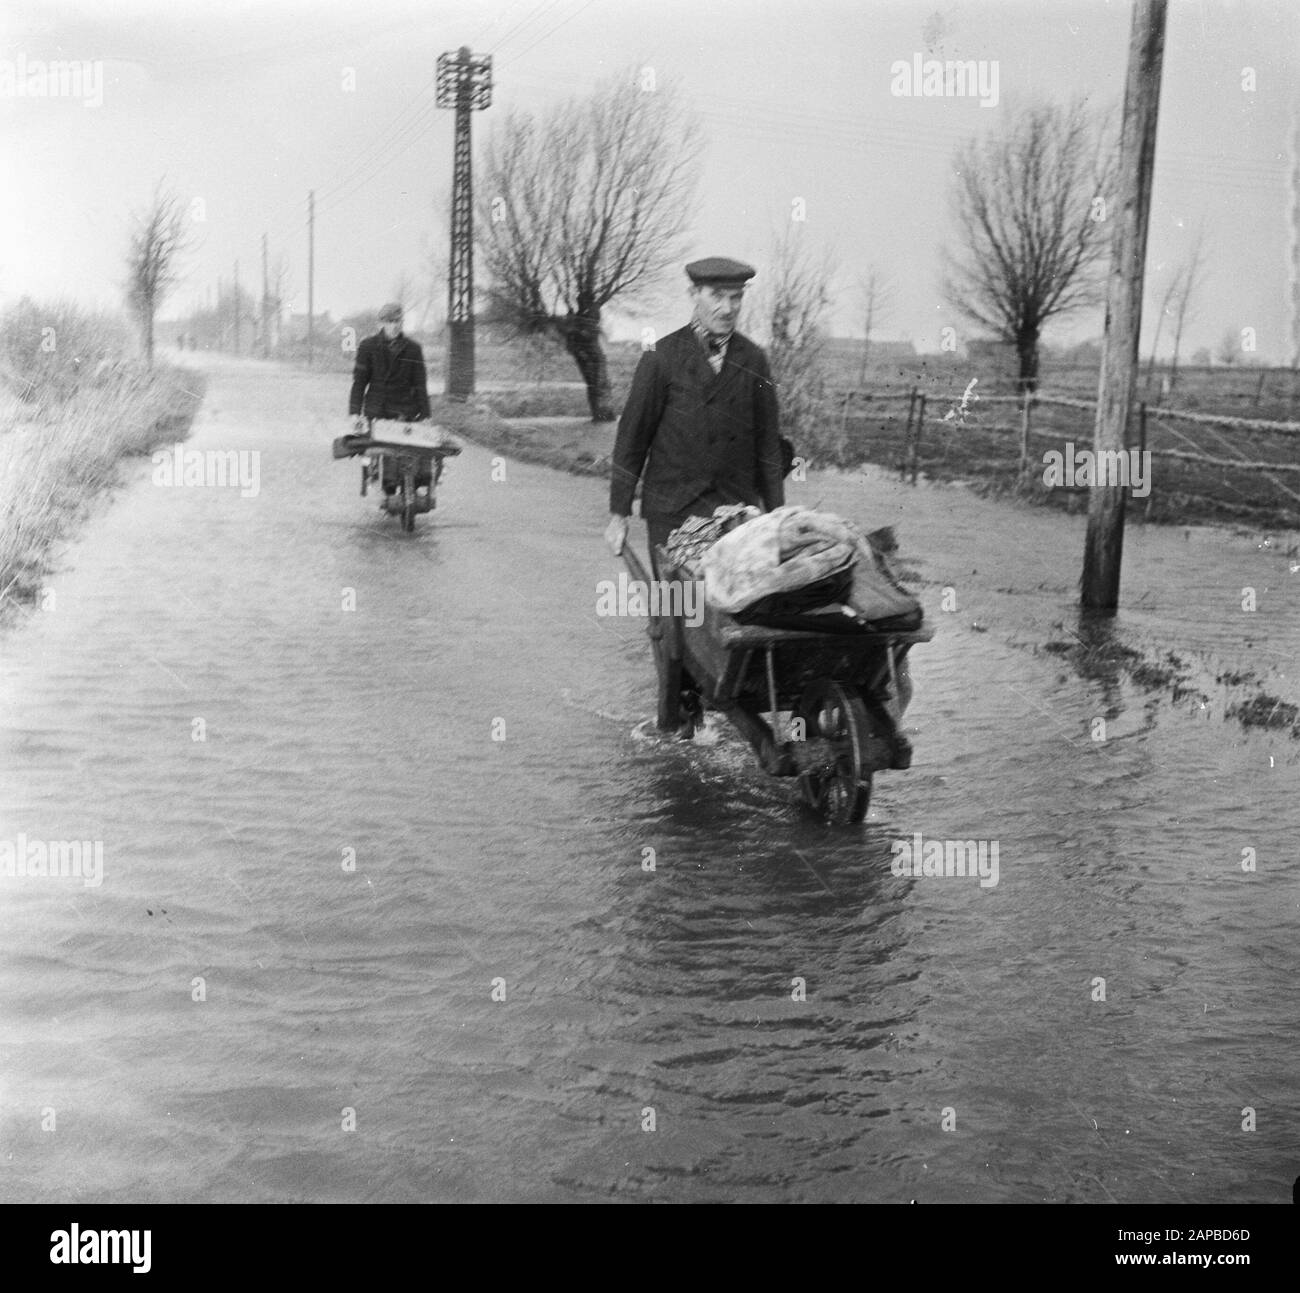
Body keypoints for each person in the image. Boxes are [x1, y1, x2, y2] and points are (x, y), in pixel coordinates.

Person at [606, 257, 784, 568]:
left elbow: (768, 444)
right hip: (673, 511)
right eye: (717, 296)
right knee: (678, 608)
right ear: (694, 294)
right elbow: (632, 439)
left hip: (735, 514)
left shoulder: (754, 360)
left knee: (729, 610)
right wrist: (619, 514)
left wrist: (776, 515)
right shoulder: (660, 358)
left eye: (736, 297)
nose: (727, 308)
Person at [348, 302, 434, 501]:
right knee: (379, 452)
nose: (395, 326)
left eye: (398, 321)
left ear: (402, 322)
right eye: (390, 322)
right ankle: (377, 475)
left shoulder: (414, 349)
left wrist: (426, 415)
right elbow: (359, 382)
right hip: (377, 409)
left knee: (411, 450)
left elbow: (421, 385)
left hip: (405, 409)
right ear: (381, 323)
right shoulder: (368, 347)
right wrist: (355, 413)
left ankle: (410, 483)